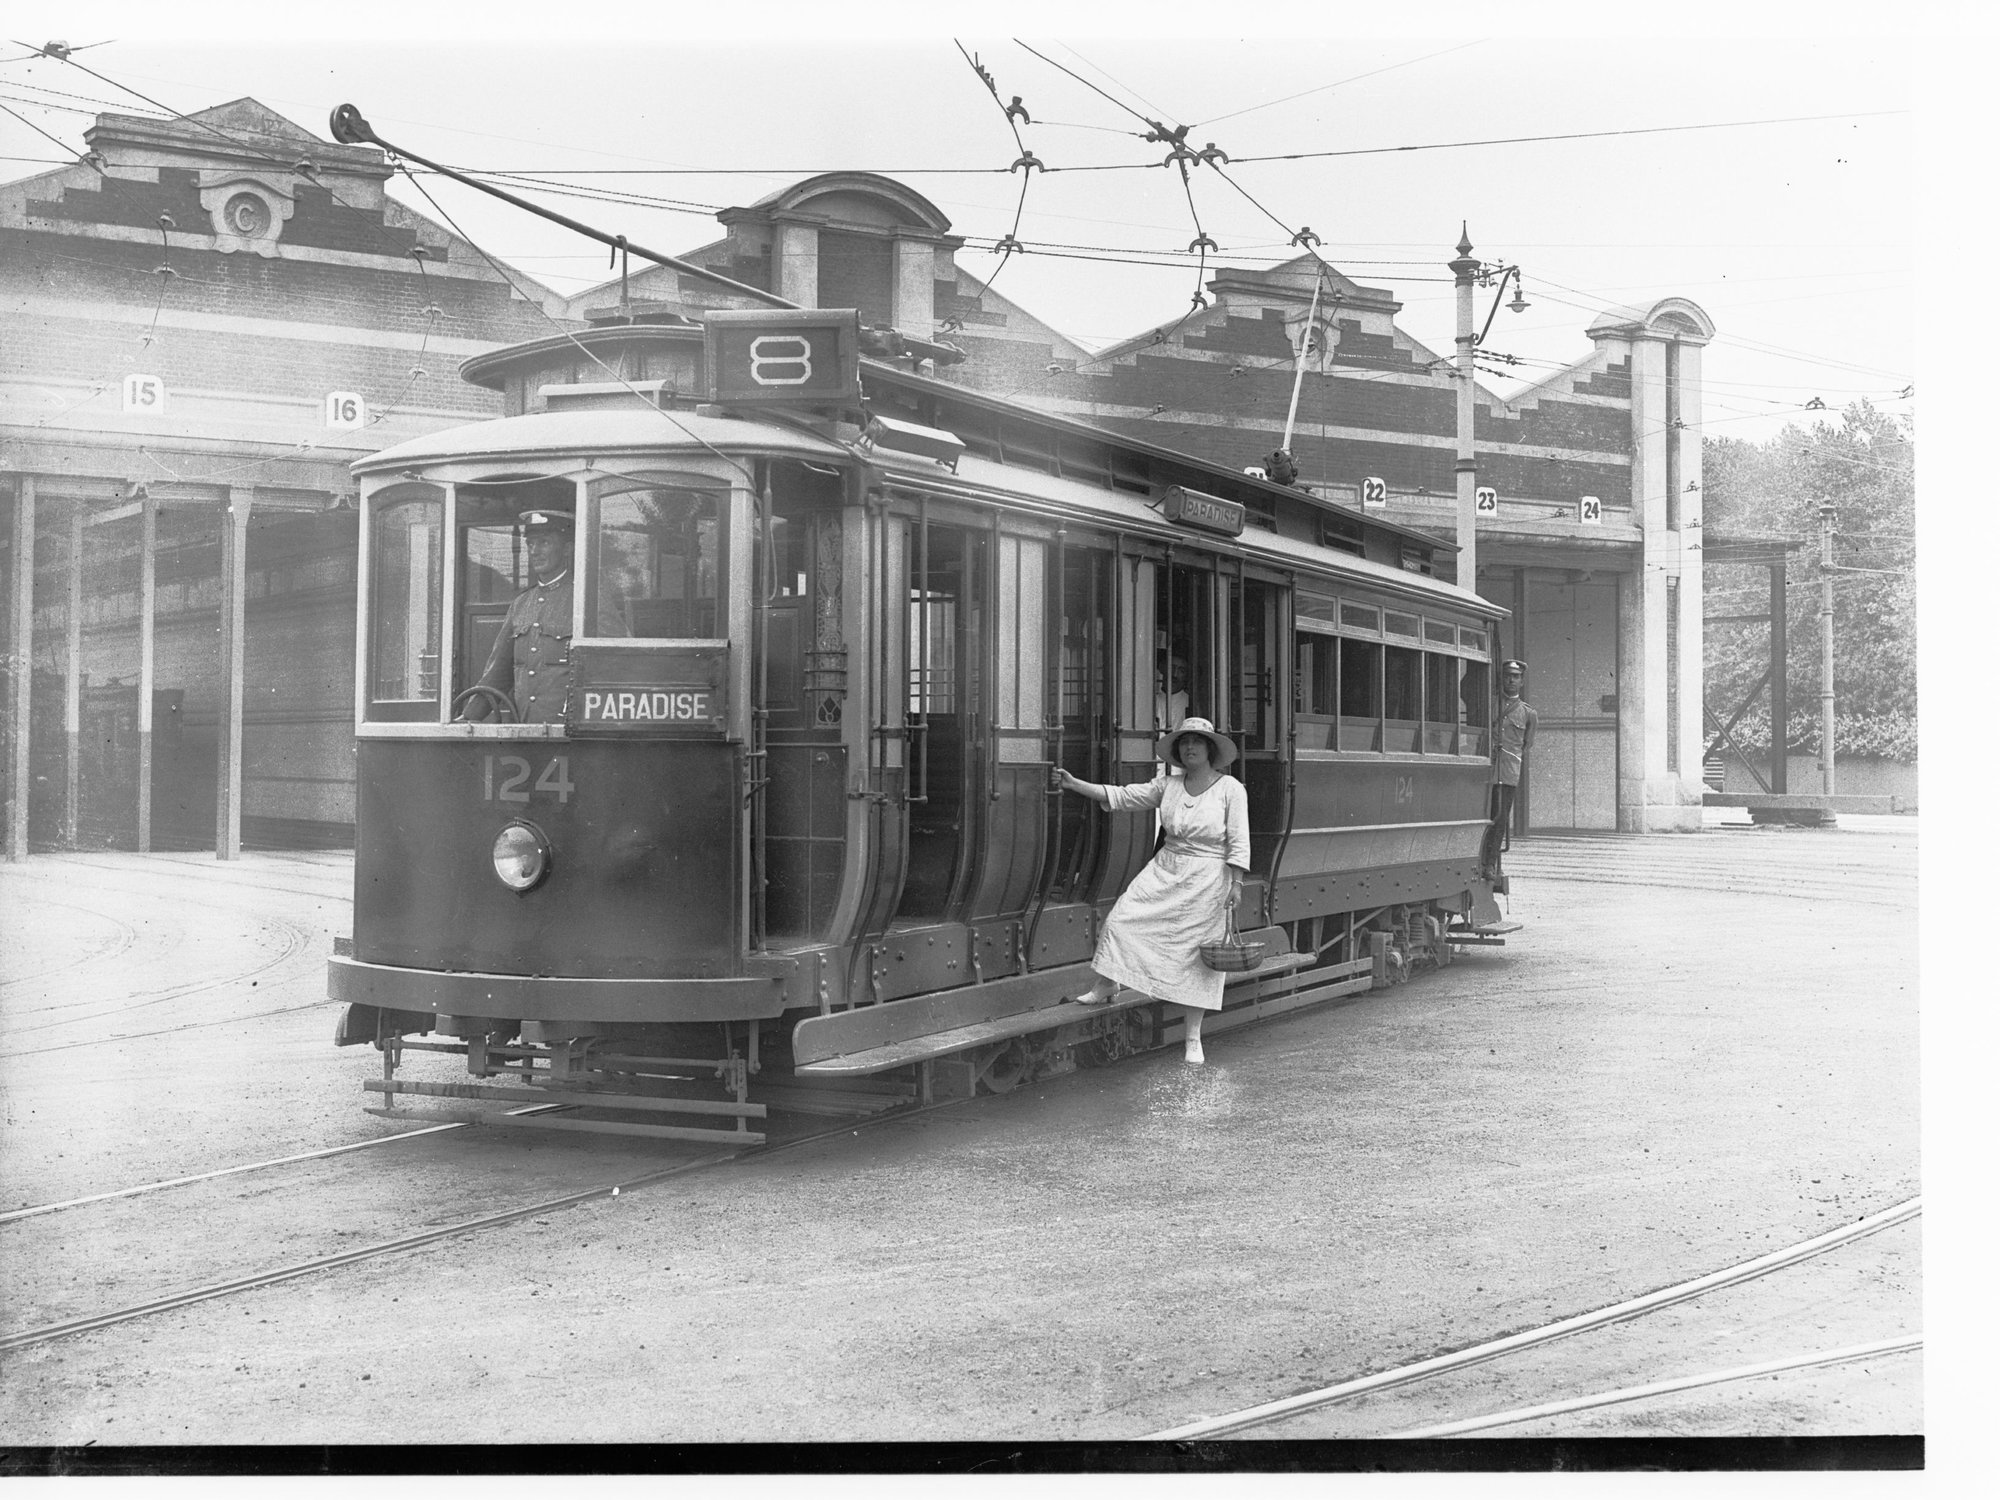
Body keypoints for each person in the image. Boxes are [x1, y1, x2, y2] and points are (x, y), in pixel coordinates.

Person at [1053, 717, 1250, 1066]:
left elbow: (1238, 840)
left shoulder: (1230, 789)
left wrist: (1236, 884)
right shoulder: (1168, 785)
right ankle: (1108, 983)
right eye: (1184, 742)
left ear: (1210, 750)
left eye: (1197, 742)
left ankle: (1193, 1039)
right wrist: (1074, 784)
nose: (1190, 748)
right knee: (1121, 919)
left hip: (1208, 879)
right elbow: (1124, 796)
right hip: (1167, 868)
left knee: (1196, 959)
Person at [459, 508, 620, 724]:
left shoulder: (588, 598)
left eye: (544, 542)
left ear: (566, 549)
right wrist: (469, 717)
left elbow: (616, 663)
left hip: (572, 735)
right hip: (526, 732)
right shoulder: (521, 604)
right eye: (530, 544)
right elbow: (498, 673)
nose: (535, 551)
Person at [1489, 658, 1537, 858]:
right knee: (1484, 818)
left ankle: (1490, 863)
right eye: (1508, 676)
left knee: (1500, 820)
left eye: (1516, 677)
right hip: (1488, 769)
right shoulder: (1490, 704)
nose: (1511, 680)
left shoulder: (1529, 714)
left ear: (1522, 682)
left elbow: (1526, 745)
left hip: (1508, 773)